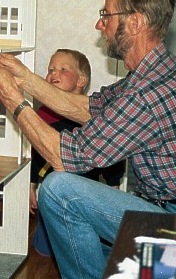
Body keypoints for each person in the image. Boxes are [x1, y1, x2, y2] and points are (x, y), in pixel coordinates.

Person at [0, 0, 176, 279]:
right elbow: (89, 107)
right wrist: (26, 77)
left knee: (59, 190)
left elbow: (66, 156)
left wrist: (10, 96)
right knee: (89, 244)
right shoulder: (165, 71)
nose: (101, 25)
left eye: (106, 15)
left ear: (135, 23)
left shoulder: (148, 92)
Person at [30, 48, 125, 257]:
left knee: (89, 241)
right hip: (50, 188)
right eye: (50, 69)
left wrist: (114, 184)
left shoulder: (91, 115)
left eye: (63, 69)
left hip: (86, 189)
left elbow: (111, 150)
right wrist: (31, 183)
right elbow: (37, 152)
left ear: (81, 81)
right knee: (45, 251)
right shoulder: (43, 113)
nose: (54, 73)